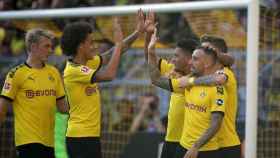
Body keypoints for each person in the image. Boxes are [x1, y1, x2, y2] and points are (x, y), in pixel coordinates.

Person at [0, 28, 68, 158]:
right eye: (46, 46)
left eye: (51, 46)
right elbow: (2, 109)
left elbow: (63, 107)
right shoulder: (16, 74)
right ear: (33, 47)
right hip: (27, 141)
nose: (51, 50)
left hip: (49, 142)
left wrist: (81, 104)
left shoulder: (53, 72)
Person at [143, 10, 199, 158]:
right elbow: (149, 59)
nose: (172, 60)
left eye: (176, 56)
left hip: (186, 144)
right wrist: (148, 35)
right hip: (170, 139)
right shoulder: (175, 69)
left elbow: (155, 79)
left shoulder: (191, 82)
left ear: (189, 60)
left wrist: (150, 52)